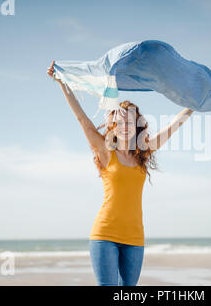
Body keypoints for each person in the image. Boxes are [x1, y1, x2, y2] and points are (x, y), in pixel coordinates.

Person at [47, 61, 193, 286]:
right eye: (120, 120)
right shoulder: (106, 152)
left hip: (135, 238)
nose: (125, 124)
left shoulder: (143, 154)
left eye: (130, 120)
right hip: (105, 235)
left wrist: (193, 105)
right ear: (114, 125)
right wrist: (62, 83)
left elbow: (172, 127)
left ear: (137, 126)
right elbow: (83, 120)